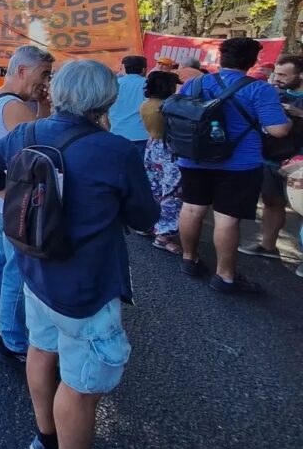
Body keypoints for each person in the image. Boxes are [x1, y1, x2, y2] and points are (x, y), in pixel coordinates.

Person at [0, 60, 159, 449]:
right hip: (86, 285)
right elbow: (145, 217)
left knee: (41, 350)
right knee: (80, 386)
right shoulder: (116, 150)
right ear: (105, 100)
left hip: (36, 271)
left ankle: (45, 439)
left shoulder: (27, 131)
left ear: (58, 92)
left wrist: (15, 202)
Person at [177, 38, 291, 294]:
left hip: (194, 158)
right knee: (227, 218)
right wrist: (290, 121)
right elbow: (278, 130)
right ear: (253, 61)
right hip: (239, 164)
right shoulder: (260, 89)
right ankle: (225, 276)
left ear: (220, 57)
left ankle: (189, 258)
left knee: (192, 208)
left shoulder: (195, 82)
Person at [0, 45, 53, 369]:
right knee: (17, 271)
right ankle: (12, 340)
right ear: (21, 70)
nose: (46, 80)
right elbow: (45, 146)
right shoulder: (15, 108)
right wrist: (46, 107)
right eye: (43, 73)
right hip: (12, 202)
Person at [239, 55, 303, 259]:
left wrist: (299, 113)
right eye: (276, 73)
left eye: (284, 75)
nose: (277, 78)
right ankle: (268, 246)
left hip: (299, 163)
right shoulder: (272, 93)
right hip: (270, 159)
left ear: (301, 75)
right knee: (271, 202)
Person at [141, 71, 183, 254]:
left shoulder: (147, 104)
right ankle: (164, 234)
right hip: (169, 150)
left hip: (152, 147)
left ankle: (149, 223)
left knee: (153, 188)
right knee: (171, 193)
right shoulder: (168, 107)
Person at [108, 55, 149, 156]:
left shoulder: (114, 84)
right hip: (141, 135)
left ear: (125, 68)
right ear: (143, 69)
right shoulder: (148, 84)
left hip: (117, 132)